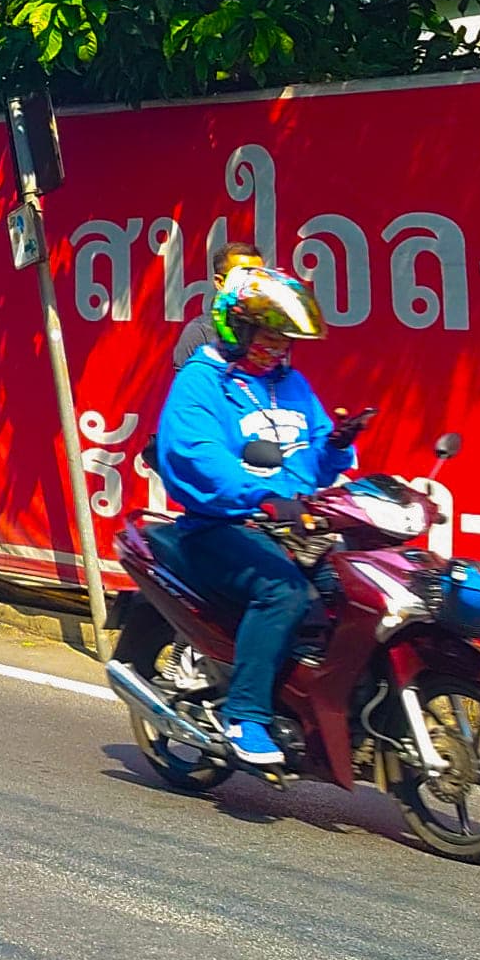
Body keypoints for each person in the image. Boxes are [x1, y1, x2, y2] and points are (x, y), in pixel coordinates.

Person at [150, 255, 355, 770]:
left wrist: (337, 446)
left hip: (289, 524)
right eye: (269, 335)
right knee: (283, 592)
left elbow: (313, 458)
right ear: (237, 328)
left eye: (285, 339)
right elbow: (198, 458)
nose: (278, 347)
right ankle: (245, 715)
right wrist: (260, 495)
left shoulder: (291, 384)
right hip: (220, 525)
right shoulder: (201, 382)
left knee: (353, 589)